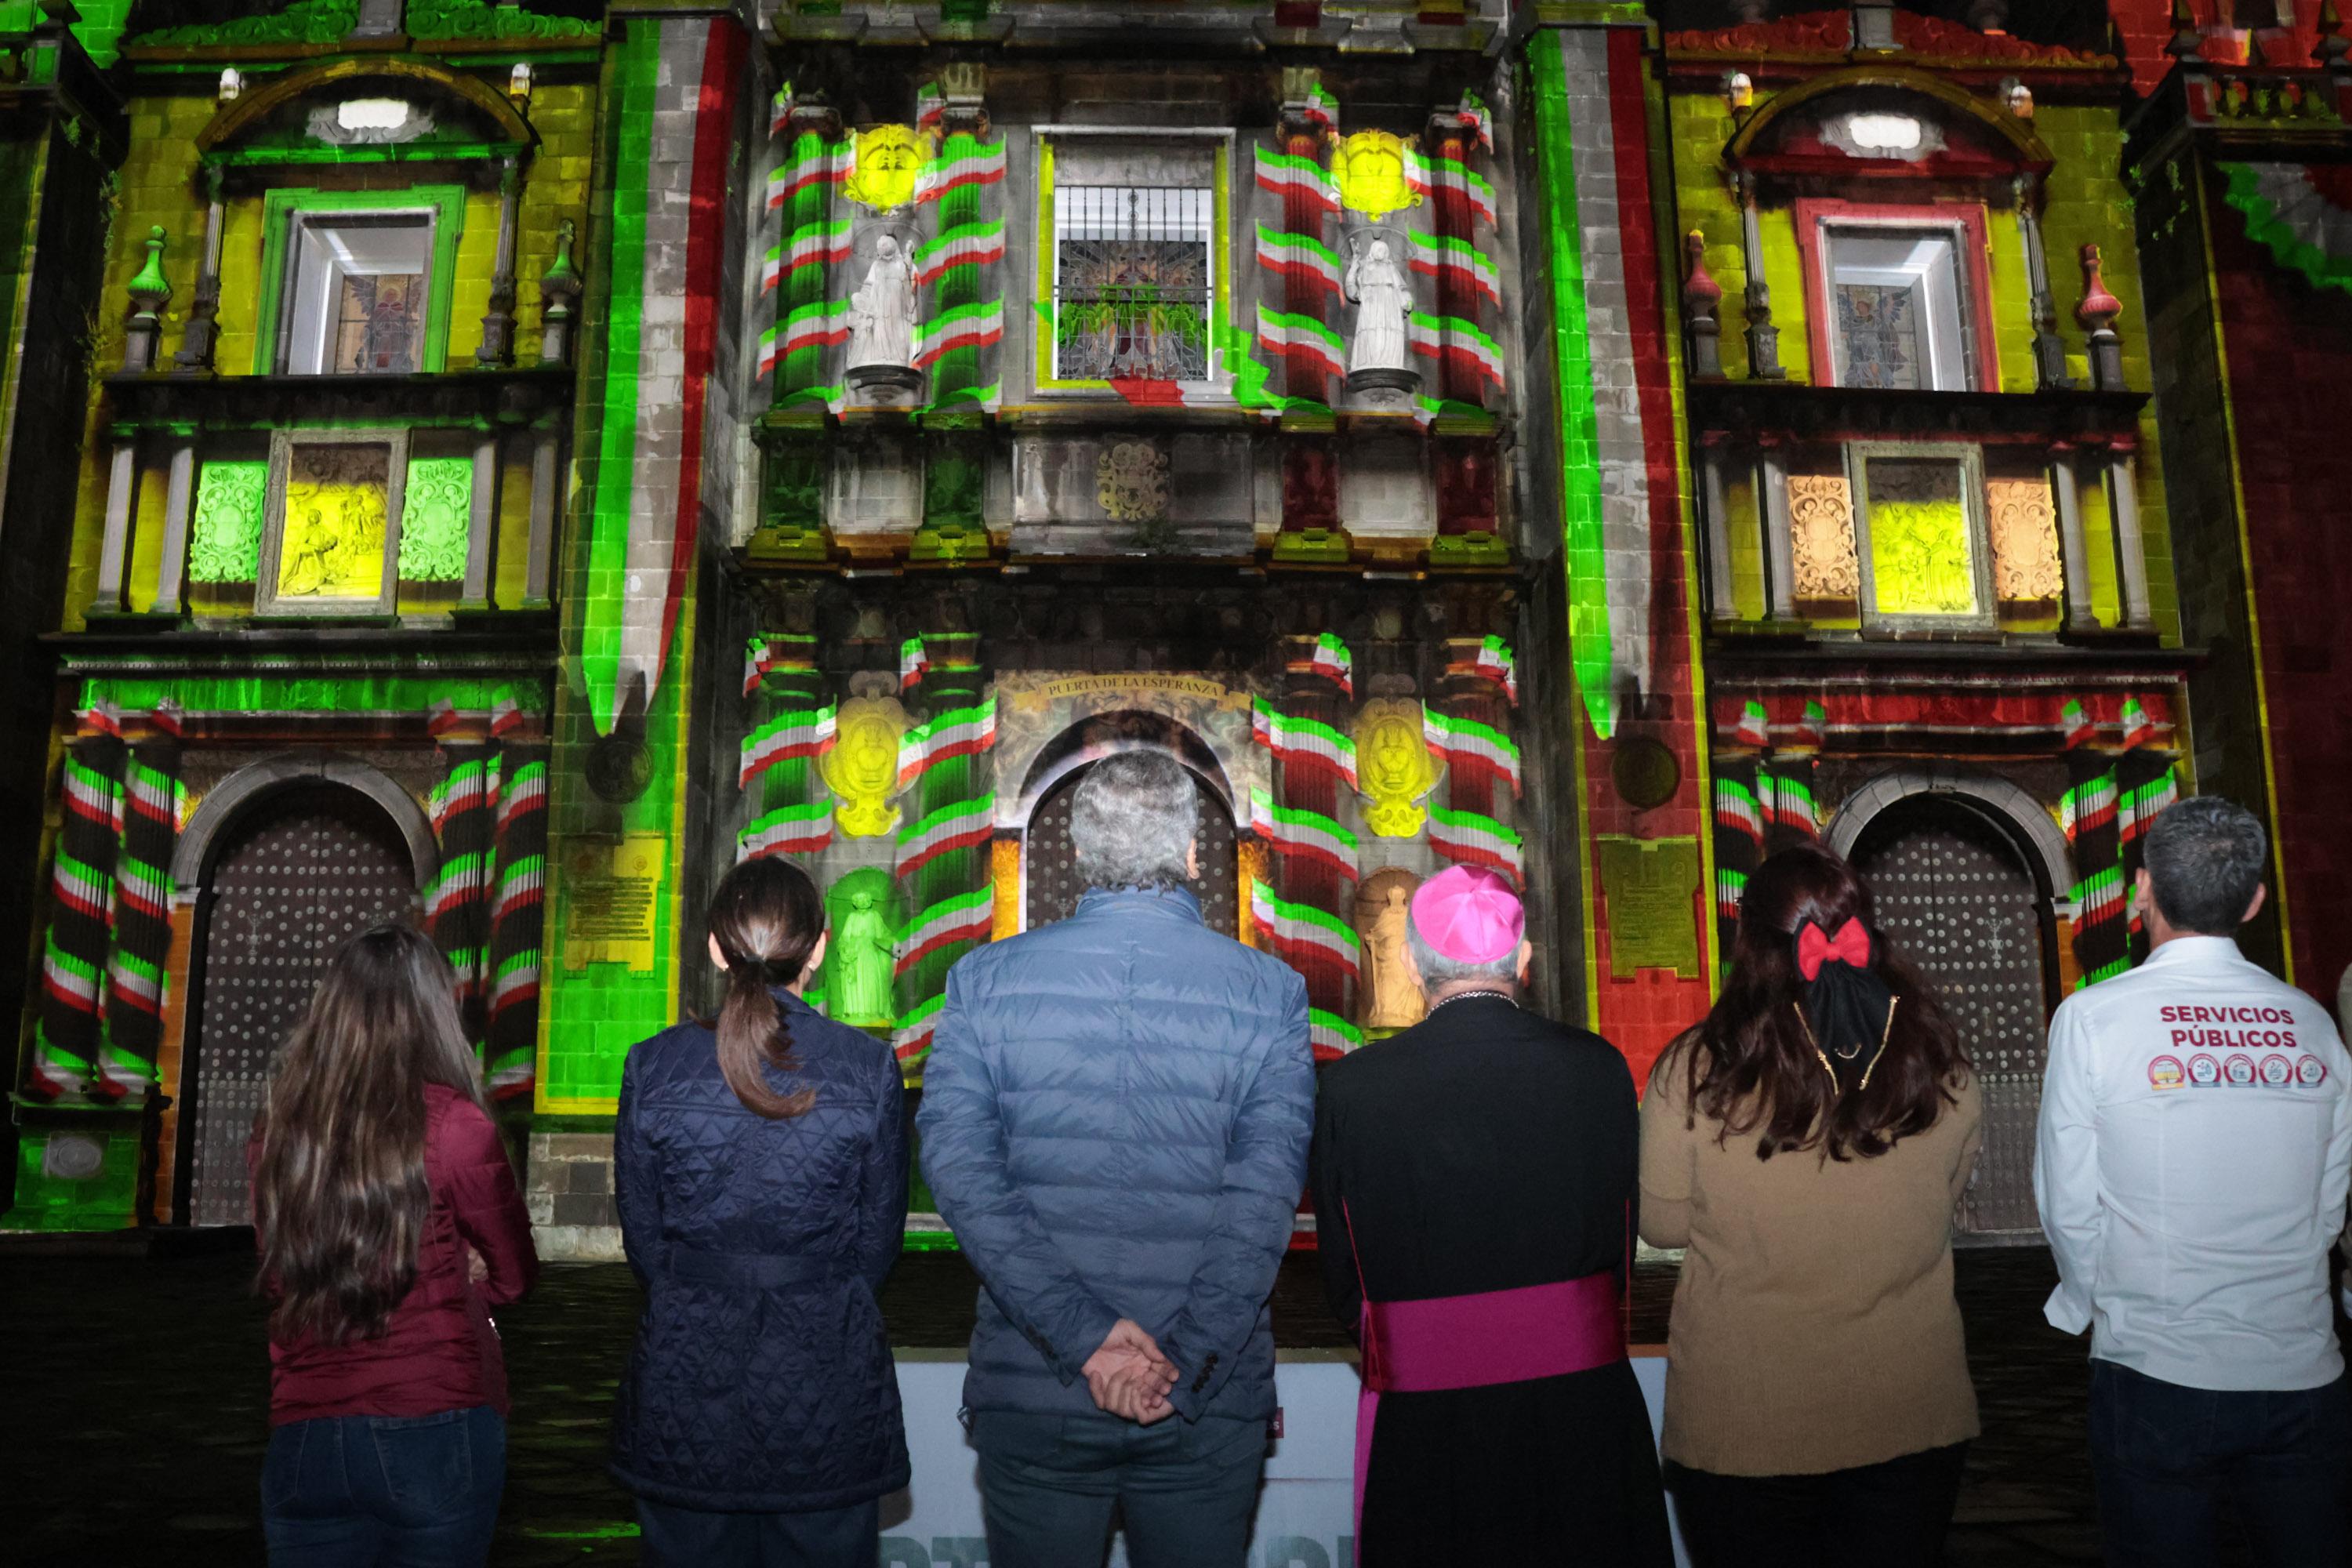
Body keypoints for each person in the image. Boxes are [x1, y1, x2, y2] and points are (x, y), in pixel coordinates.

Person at [919, 750, 1315, 1568]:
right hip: (1202, 1396)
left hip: (1040, 1386)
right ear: (1195, 854)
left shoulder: (983, 980)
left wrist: (1087, 1338)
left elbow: (960, 1173)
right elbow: (1263, 1202)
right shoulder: (1268, 992)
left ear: (1082, 855)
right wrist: (1185, 1360)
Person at [1311, 865, 1671, 1566]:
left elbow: (1344, 1273)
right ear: (1524, 962)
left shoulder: (1353, 1089)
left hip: (1428, 1423)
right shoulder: (1598, 1068)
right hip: (1581, 1410)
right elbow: (1618, 1248)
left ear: (1413, 963)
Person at [1640, 843, 1981, 1568]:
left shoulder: (1694, 1069)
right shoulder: (1937, 1062)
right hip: (1909, 1407)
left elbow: (1662, 1223)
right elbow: (1940, 1201)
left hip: (1746, 1419)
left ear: (1749, 942)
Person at [2036, 797, 2352, 1568]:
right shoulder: (2309, 1021)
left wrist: (2093, 1304)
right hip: (2300, 1366)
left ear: (2141, 888)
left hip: (2156, 1366)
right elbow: (2329, 1202)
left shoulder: (2092, 1018)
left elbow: (2069, 1201)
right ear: (2254, 899)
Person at [609, 856, 910, 1566]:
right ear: (819, 949)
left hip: (687, 1362)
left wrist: (699, 1286)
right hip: (824, 1368)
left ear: (715, 948)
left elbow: (645, 1240)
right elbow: (878, 1242)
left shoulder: (652, 1065)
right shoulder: (867, 1068)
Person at [249, 924, 539, 1566]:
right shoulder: (459, 1126)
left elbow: (278, 1278)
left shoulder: (279, 1131)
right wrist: (468, 1275)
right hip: (434, 1419)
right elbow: (515, 1275)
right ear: (436, 1011)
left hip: (307, 1428)